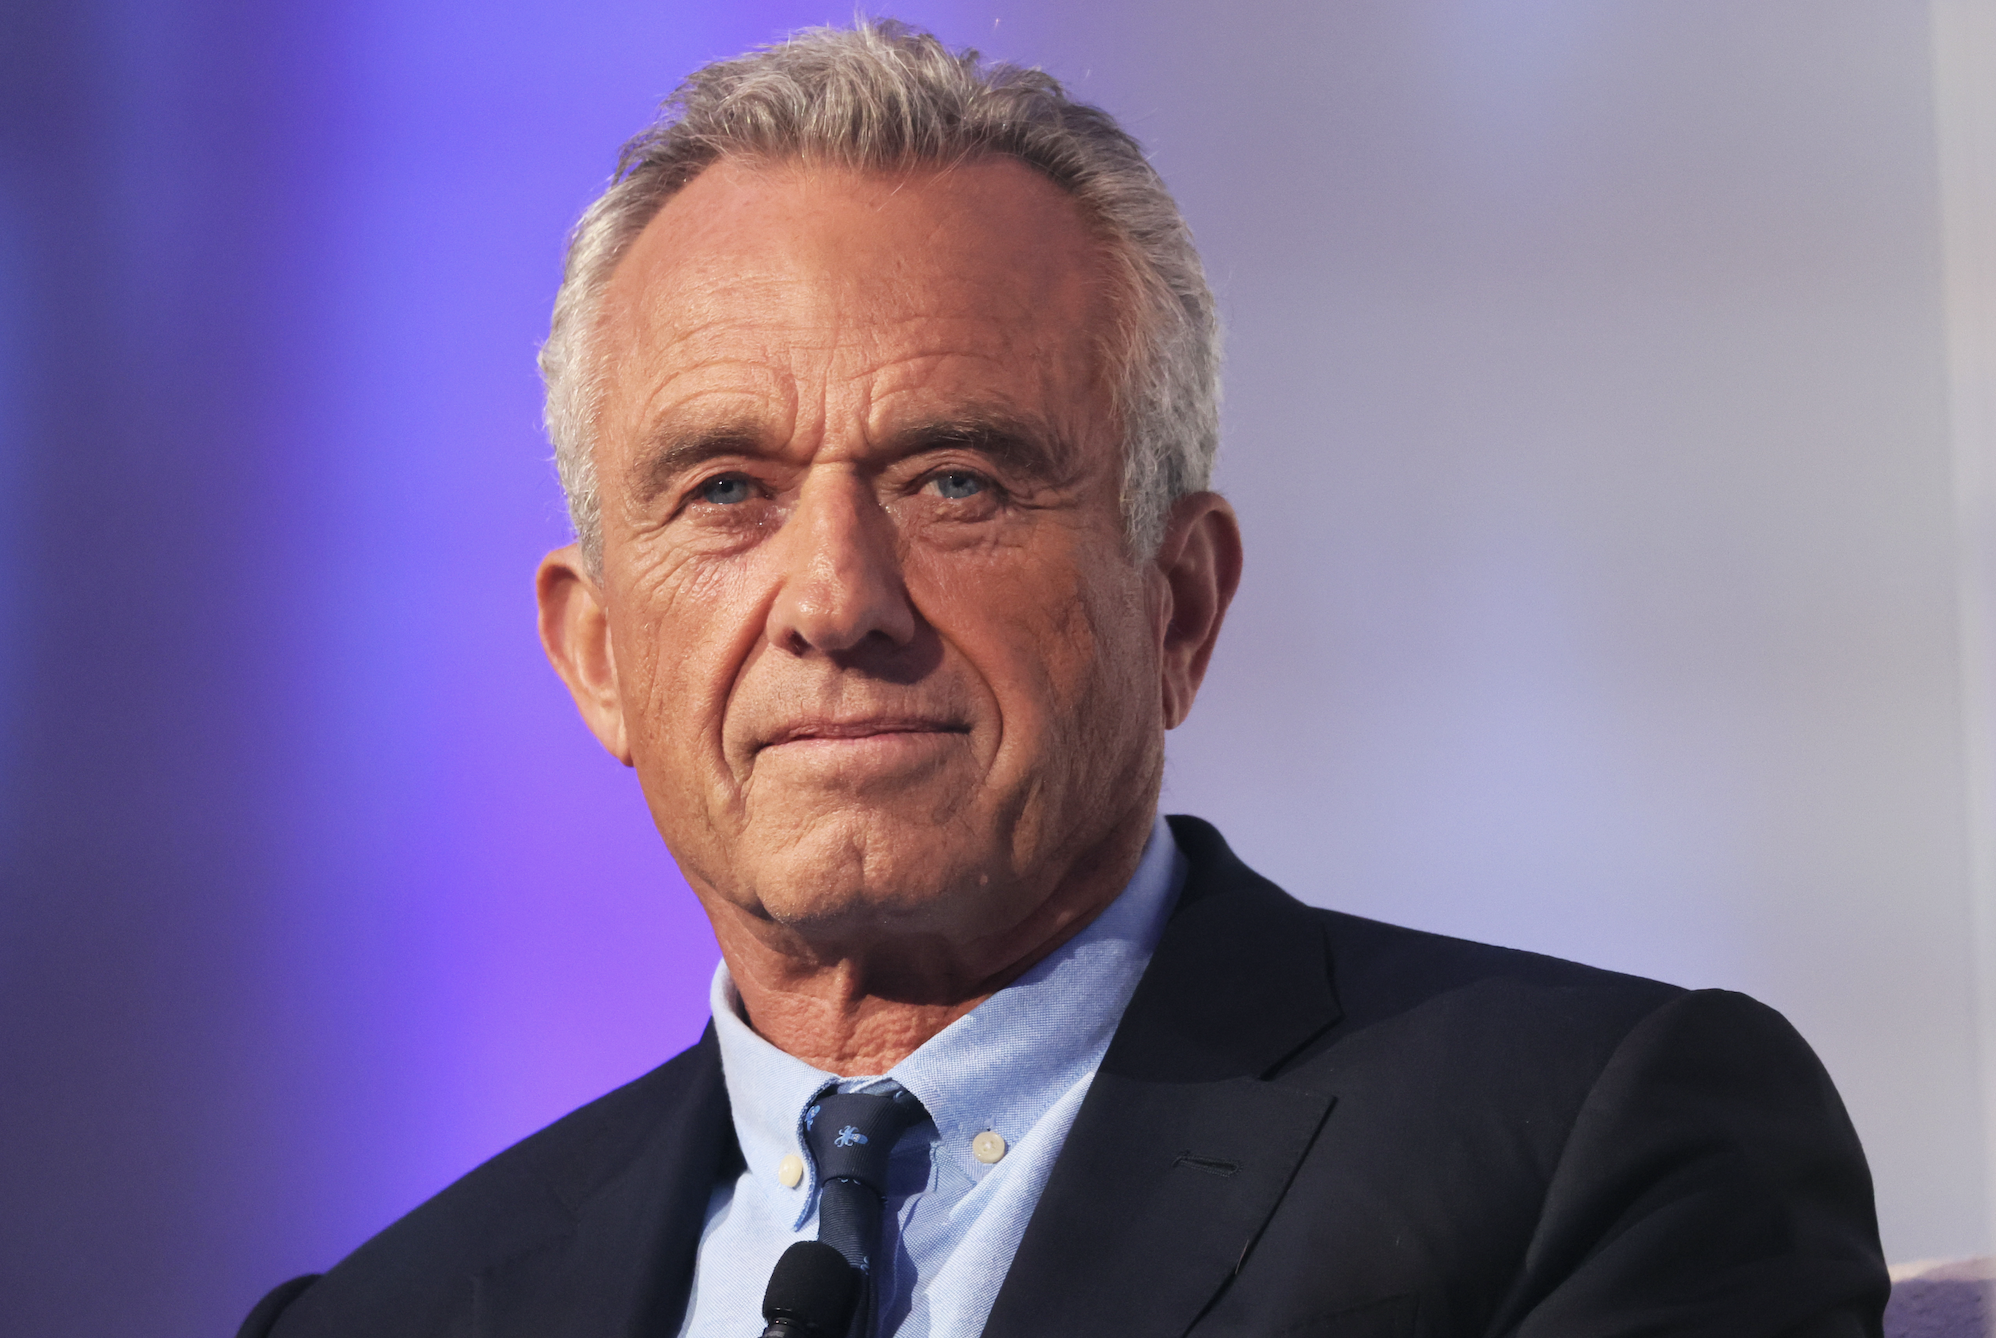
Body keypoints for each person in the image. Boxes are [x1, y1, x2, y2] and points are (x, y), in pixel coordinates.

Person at [238, 20, 1888, 1338]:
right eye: (728, 489)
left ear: (1180, 603)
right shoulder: (378, 1310)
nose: (836, 597)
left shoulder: (1593, 1155)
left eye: (956, 478)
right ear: (598, 655)